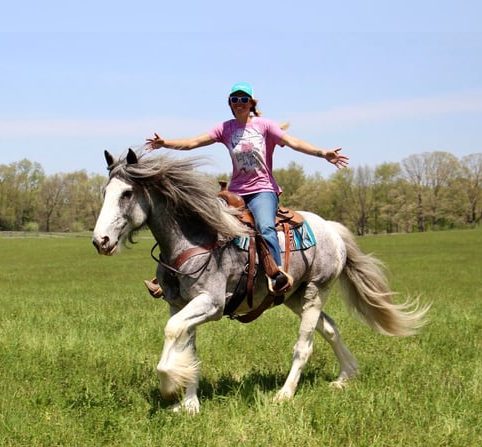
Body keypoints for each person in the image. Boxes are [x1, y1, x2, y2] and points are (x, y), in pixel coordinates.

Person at [145, 81, 349, 296]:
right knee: (202, 220)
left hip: (263, 189)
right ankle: (167, 276)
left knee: (265, 227)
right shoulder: (225, 128)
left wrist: (323, 153)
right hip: (236, 192)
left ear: (251, 103)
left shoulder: (264, 125)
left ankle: (276, 274)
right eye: (235, 99)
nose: (239, 103)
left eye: (244, 99)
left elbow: (293, 142)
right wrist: (165, 143)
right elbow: (192, 142)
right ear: (230, 104)